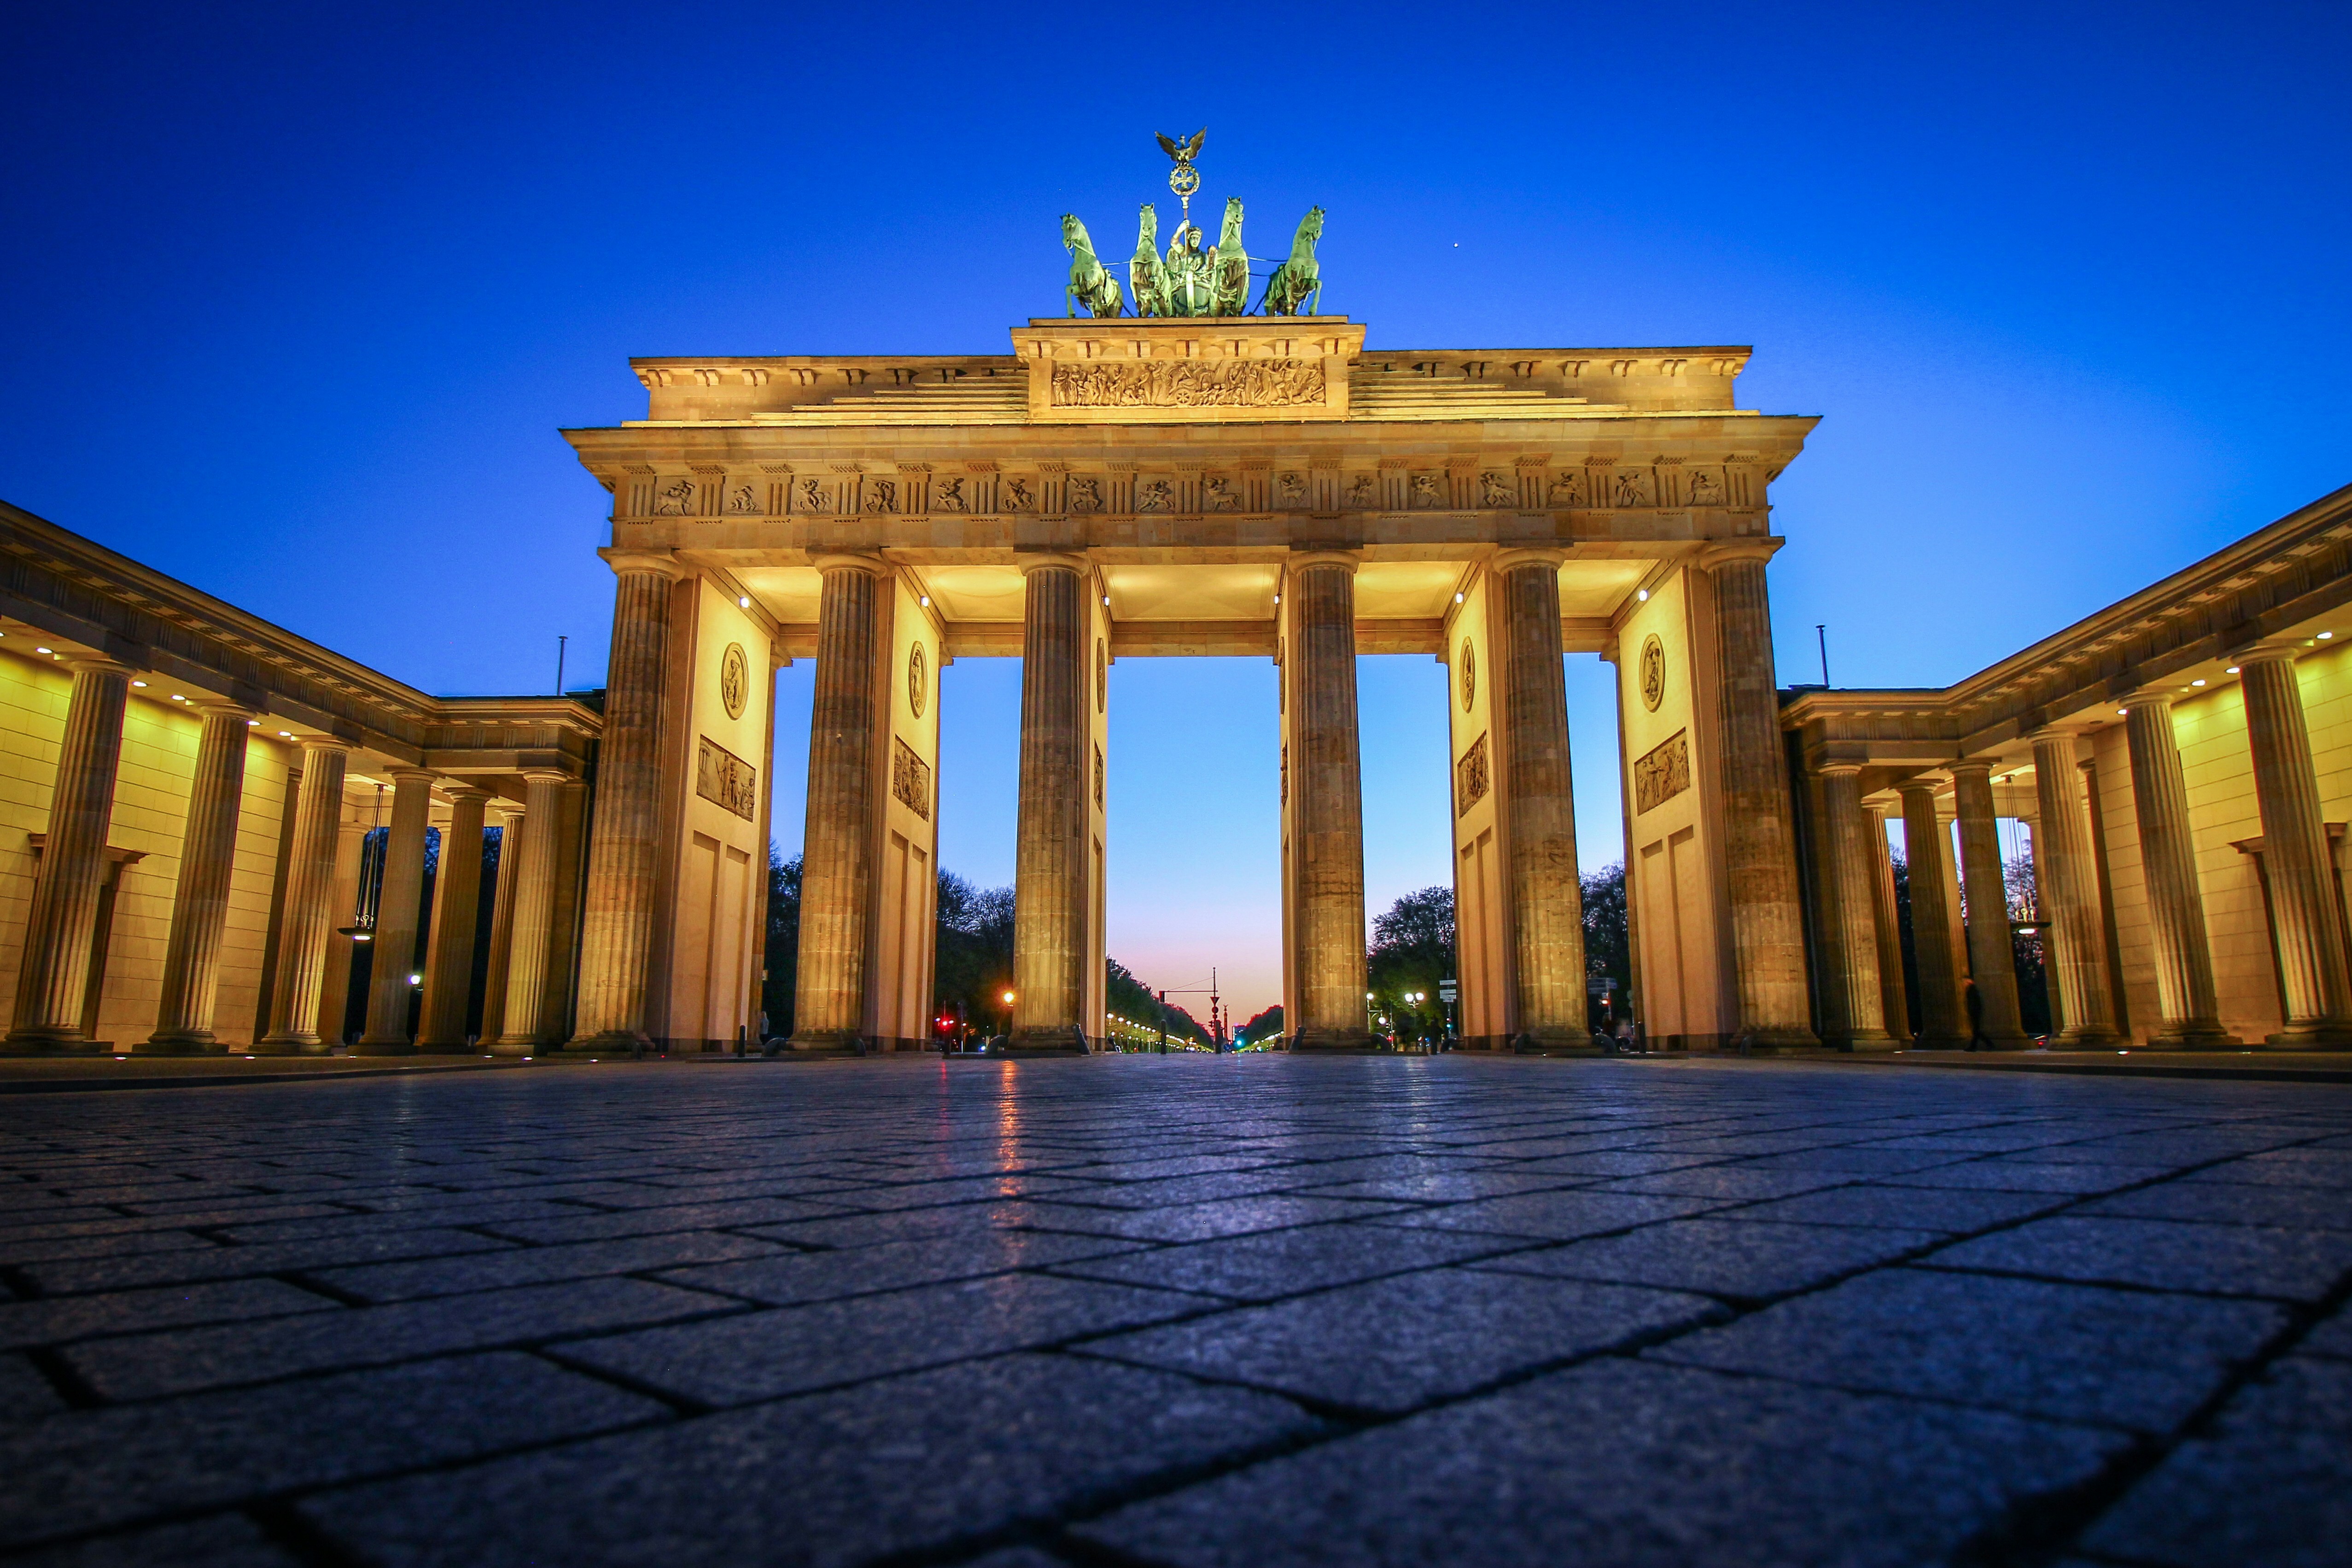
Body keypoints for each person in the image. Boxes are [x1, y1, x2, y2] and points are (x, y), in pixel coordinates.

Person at [1963, 978, 1993, 1051]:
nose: (1963, 983)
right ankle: (1987, 1044)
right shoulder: (1973, 989)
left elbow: (1973, 1002)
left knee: (1976, 1030)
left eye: (1965, 981)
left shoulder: (1971, 990)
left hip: (1975, 1012)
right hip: (1975, 1012)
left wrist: (1971, 1011)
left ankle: (1976, 1046)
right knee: (1977, 1031)